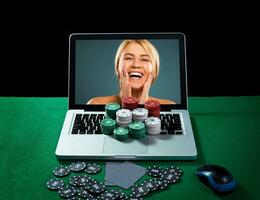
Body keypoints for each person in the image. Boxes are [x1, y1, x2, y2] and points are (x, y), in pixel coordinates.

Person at [87, 39, 175, 105]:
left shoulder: (168, 105)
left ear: (154, 71)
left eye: (144, 59)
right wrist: (127, 106)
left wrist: (140, 108)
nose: (136, 65)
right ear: (117, 68)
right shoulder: (96, 103)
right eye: (128, 58)